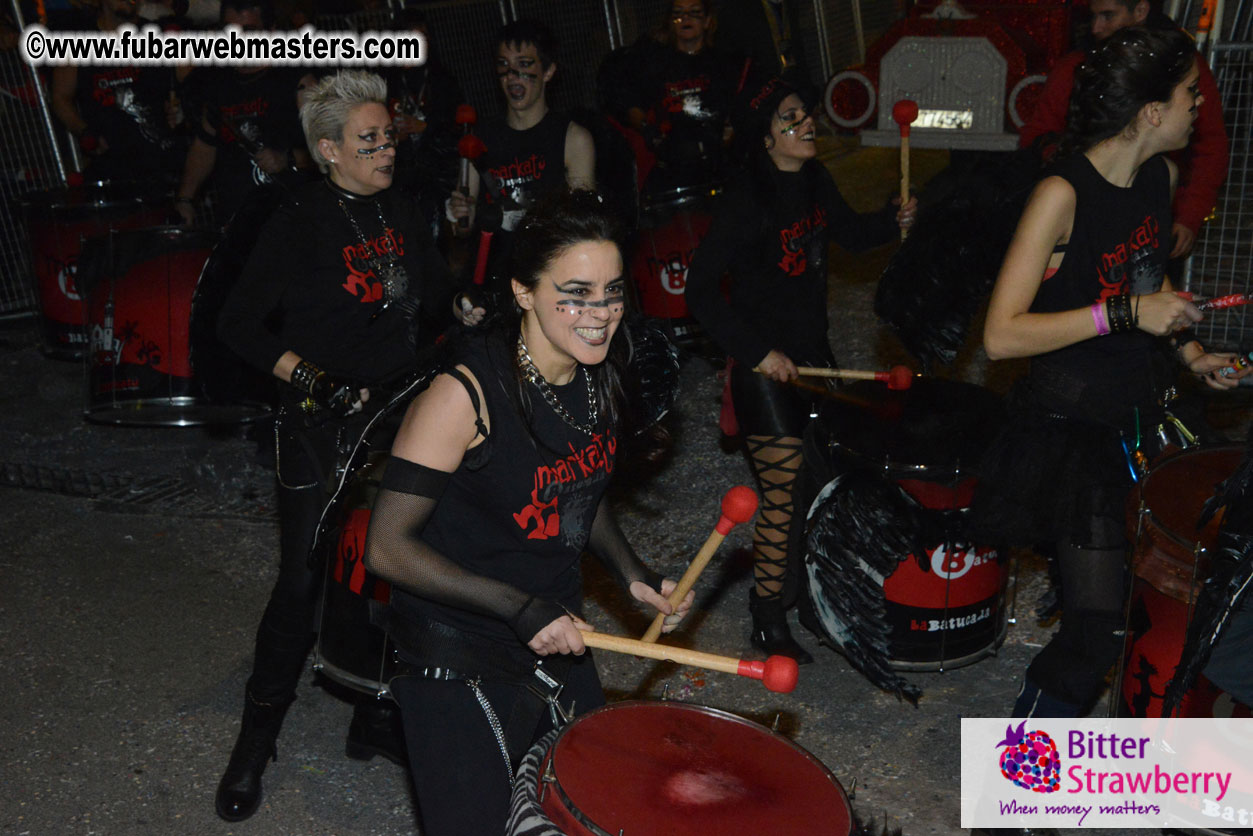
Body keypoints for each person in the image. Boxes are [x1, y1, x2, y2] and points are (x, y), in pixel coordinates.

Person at [362, 188, 692, 836]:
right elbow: (387, 547)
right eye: (574, 292)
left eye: (612, 292)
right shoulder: (464, 396)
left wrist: (632, 573)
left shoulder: (596, 371)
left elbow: (573, 490)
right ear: (522, 293)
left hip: (554, 626)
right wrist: (517, 606)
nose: (599, 314)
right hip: (453, 644)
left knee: (596, 804)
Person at [211, 69, 481, 823]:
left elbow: (428, 294)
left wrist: (460, 296)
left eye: (389, 135)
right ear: (328, 150)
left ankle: (385, 707)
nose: (386, 148)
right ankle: (254, 741)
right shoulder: (296, 221)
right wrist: (311, 378)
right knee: (301, 579)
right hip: (319, 416)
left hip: (400, 404)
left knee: (420, 560)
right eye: (369, 140)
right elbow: (236, 324)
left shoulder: (396, 205)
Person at [975, 26, 1248, 719]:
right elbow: (1001, 336)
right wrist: (1125, 313)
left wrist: (1190, 355)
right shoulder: (1060, 196)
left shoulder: (1157, 179)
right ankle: (1013, 799)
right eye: (1190, 94)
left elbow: (1146, 286)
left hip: (1144, 413)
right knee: (1093, 630)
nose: (1200, 109)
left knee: (1174, 585)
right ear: (1150, 111)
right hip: (1074, 433)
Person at [685, 77, 916, 663]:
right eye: (792, 118)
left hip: (815, 359)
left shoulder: (814, 179)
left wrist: (896, 219)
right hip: (761, 371)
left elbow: (855, 233)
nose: (808, 124)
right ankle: (767, 619)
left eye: (806, 115)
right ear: (766, 137)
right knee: (783, 495)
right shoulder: (746, 197)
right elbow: (701, 291)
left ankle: (810, 598)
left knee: (825, 491)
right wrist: (759, 353)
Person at [1017, 0, 1229, 258]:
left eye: (1108, 16)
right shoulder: (1074, 67)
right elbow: (1038, 135)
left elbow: (1211, 147)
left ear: (1140, 11)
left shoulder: (1180, 67)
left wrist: (1189, 216)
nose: (1096, 27)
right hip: (1080, 207)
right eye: (1092, 17)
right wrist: (1079, 172)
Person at [445, 19, 594, 273]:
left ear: (548, 72)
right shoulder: (478, 141)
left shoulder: (572, 138)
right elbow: (461, 230)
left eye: (524, 65)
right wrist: (460, 217)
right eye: (504, 65)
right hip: (499, 277)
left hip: (554, 273)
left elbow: (586, 225)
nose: (512, 76)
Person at [173, 0, 312, 226]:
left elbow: (331, 150)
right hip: (237, 221)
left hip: (291, 220)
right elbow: (205, 146)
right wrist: (185, 199)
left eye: (249, 31)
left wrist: (288, 159)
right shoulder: (218, 83)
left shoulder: (297, 80)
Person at [49, 0, 186, 185]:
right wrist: (84, 131)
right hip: (112, 165)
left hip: (161, 160)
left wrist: (180, 109)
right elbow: (60, 97)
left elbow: (188, 84)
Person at [625, 0, 744, 190]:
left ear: (707, 21)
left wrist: (732, 129)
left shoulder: (724, 64)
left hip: (720, 164)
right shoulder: (655, 66)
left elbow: (740, 107)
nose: (685, 19)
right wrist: (647, 128)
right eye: (678, 13)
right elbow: (631, 103)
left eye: (694, 12)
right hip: (674, 168)